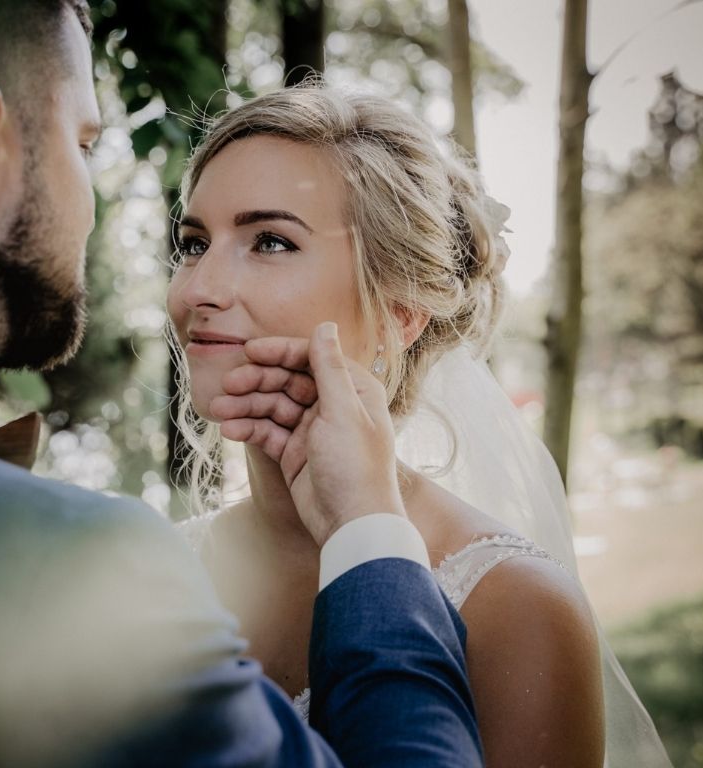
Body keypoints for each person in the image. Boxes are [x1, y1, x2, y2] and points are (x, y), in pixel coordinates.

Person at [0, 2, 484, 765]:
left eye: (270, 241)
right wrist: (373, 533)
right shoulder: (75, 565)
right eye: (82, 142)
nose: (198, 288)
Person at [168, 83, 673, 768]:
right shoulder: (153, 568)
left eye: (271, 242)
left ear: (400, 313)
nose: (196, 289)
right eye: (194, 242)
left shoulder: (514, 608)